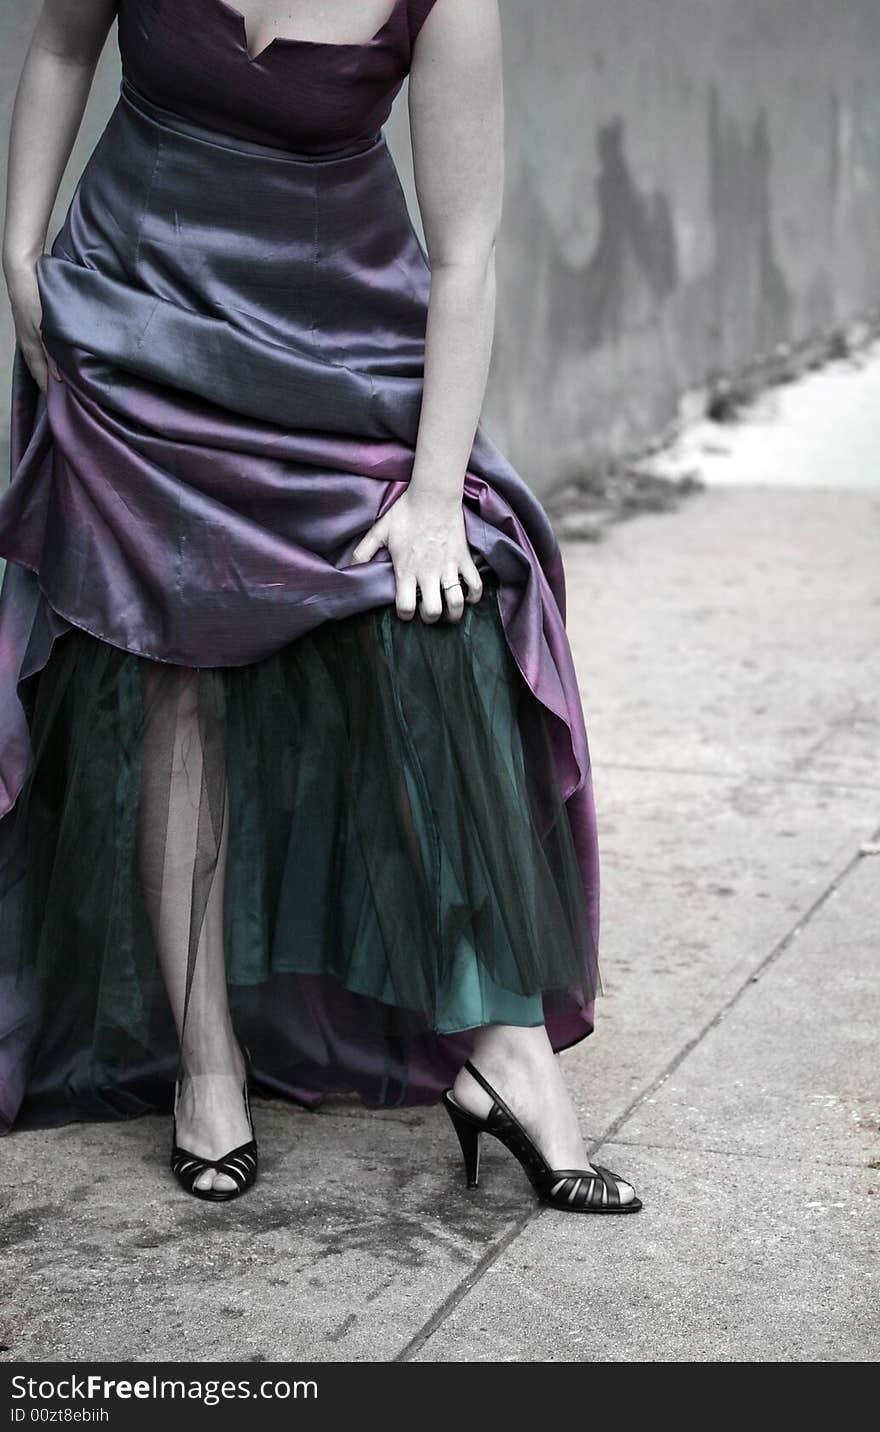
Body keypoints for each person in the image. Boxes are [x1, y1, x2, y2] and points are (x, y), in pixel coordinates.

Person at [0, 0, 640, 1214]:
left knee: (440, 627)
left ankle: (503, 1053)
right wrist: (19, 255)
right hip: (141, 322)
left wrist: (438, 491)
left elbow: (466, 253)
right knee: (170, 661)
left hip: (342, 345)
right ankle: (206, 1065)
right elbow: (61, 47)